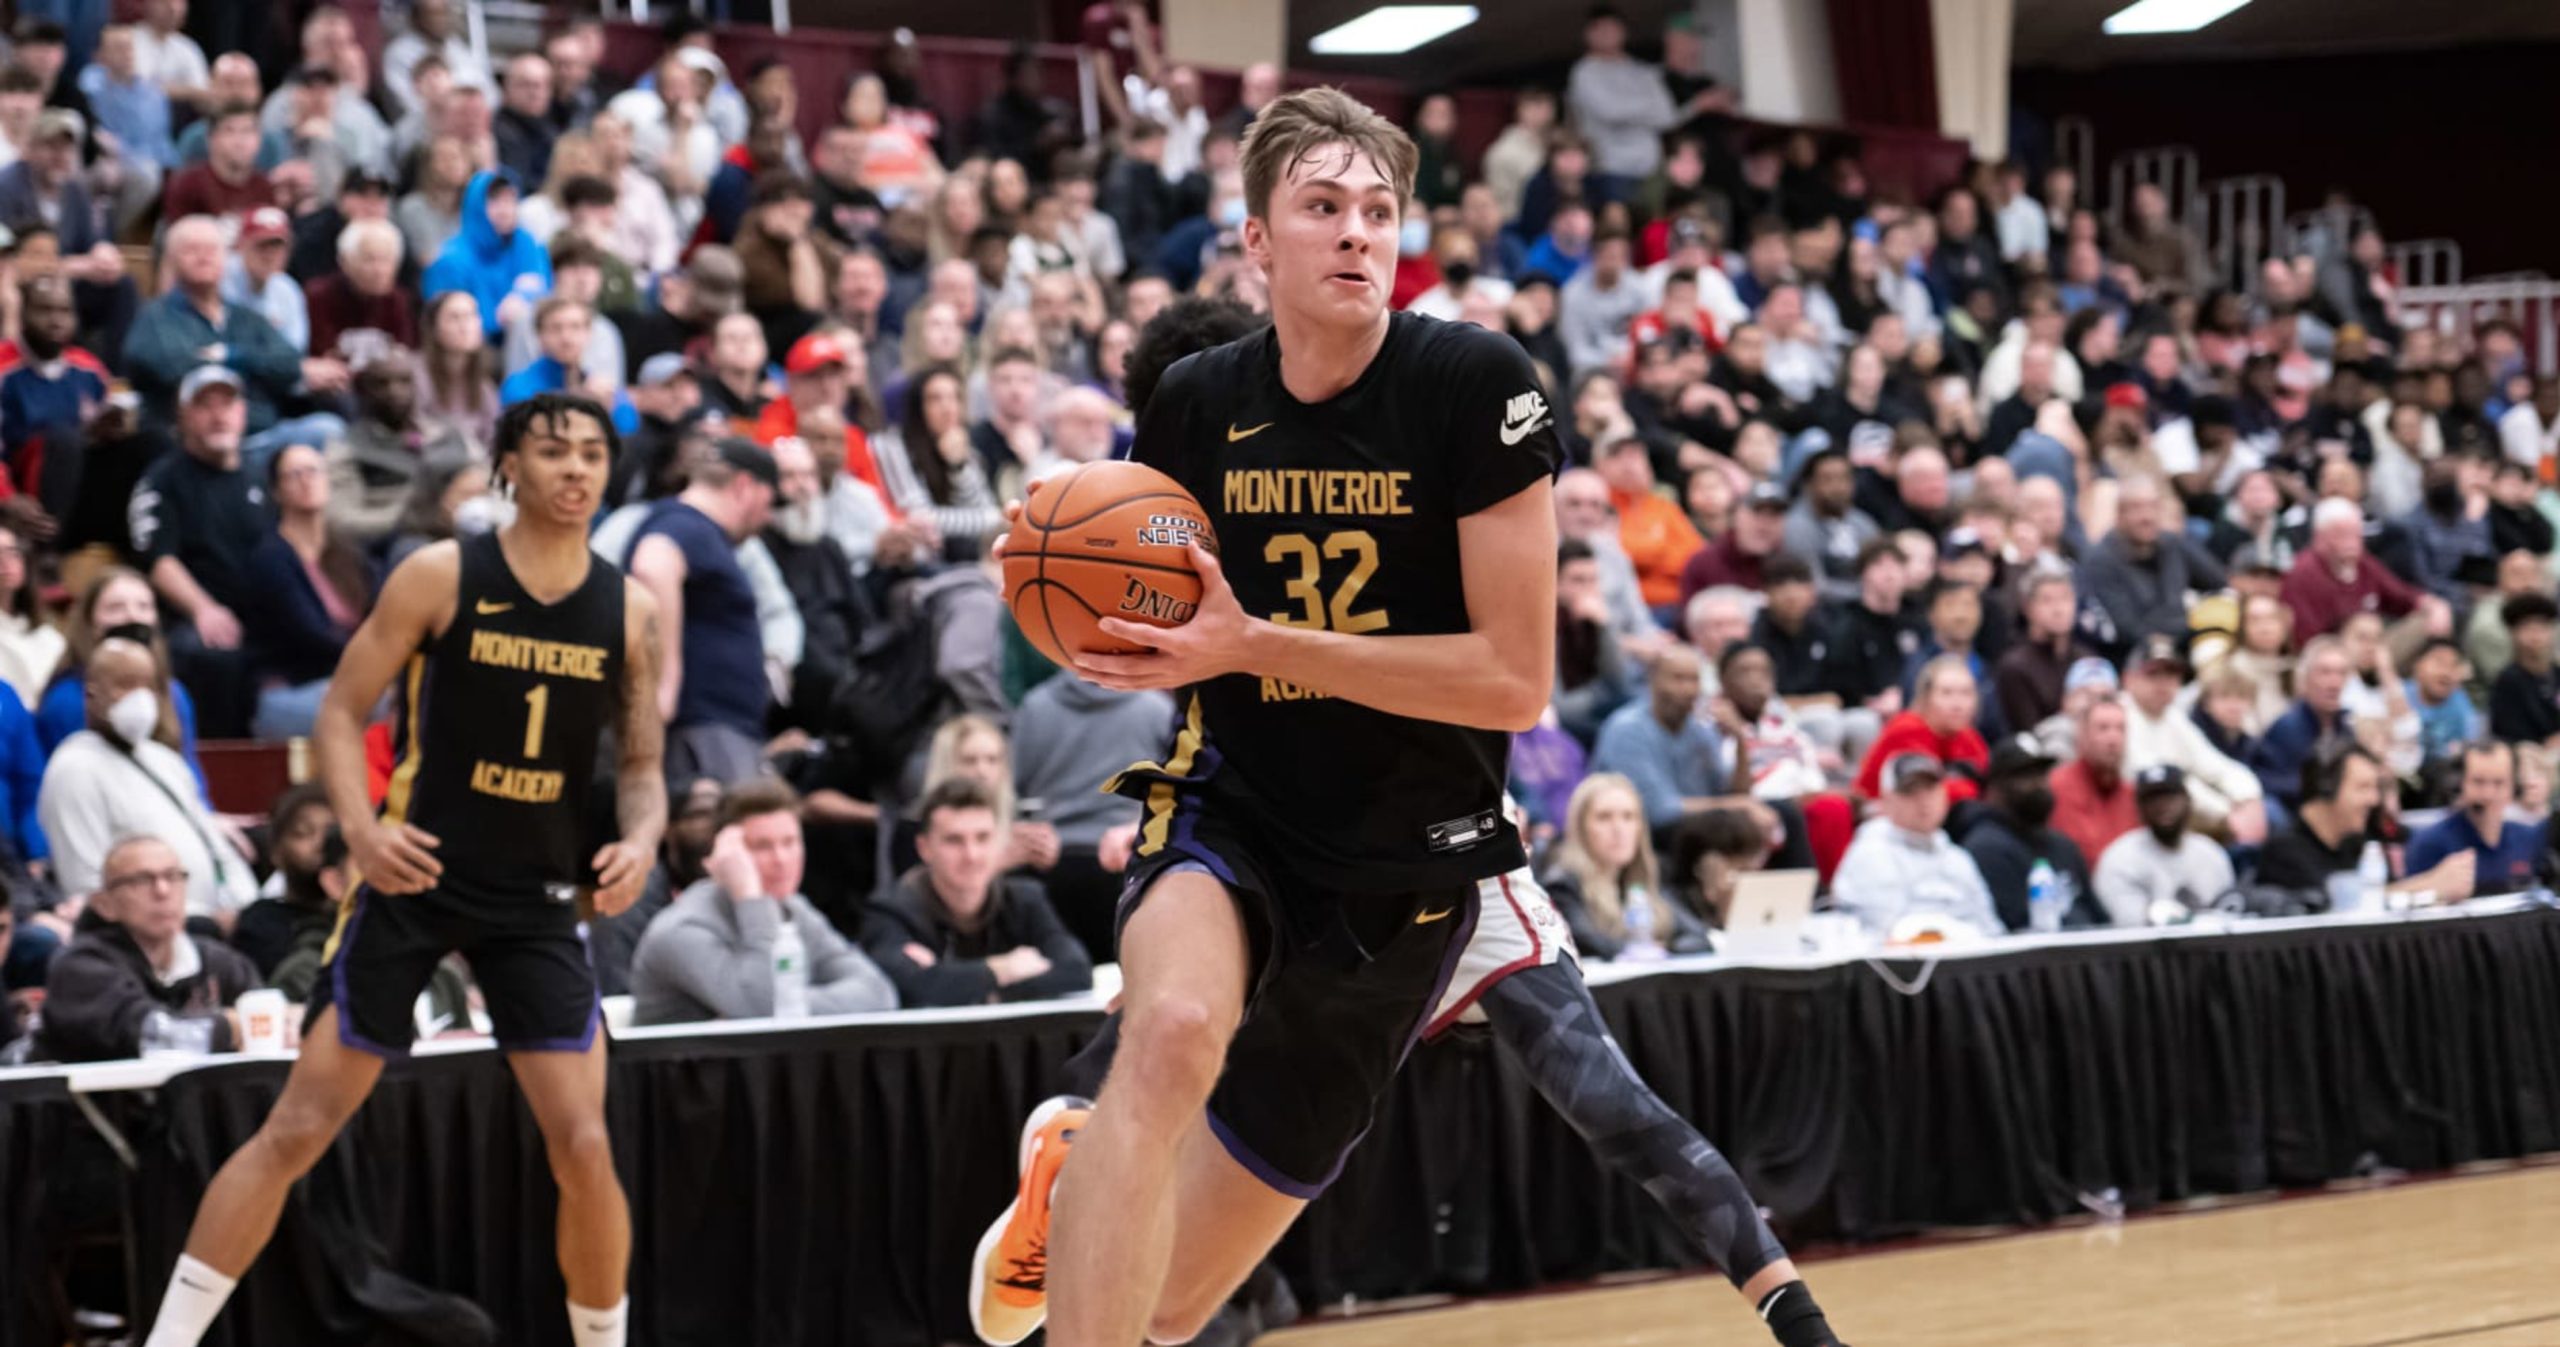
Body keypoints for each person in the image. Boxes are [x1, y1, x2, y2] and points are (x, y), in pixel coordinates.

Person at [968, 89, 1560, 1347]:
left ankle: (1072, 1180)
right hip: (1236, 806)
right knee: (1172, 1030)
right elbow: (1152, 607)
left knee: (1174, 1306)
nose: (1356, 234)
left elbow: (1516, 680)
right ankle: (1090, 1160)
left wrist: (1257, 643)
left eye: (1379, 211)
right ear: (1257, 242)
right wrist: (1051, 586)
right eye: (1322, 207)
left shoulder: (1474, 383)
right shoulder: (1190, 402)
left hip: (1409, 867)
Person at [139, 393, 665, 1347]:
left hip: (537, 899)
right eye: (554, 451)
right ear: (509, 466)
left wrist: (639, 840)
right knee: (299, 1125)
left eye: (593, 452)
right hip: (414, 880)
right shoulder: (438, 574)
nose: (576, 469)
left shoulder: (629, 609)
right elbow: (340, 713)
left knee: (585, 1144)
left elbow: (640, 767)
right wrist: (361, 833)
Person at [629, 778, 894, 1024]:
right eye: (762, 846)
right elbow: (761, 1014)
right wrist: (750, 898)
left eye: (790, 842)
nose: (781, 859)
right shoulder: (682, 930)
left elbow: (879, 993)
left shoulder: (794, 910)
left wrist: (793, 1003)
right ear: (726, 852)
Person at [36, 636, 254, 924]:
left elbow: (215, 847)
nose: (140, 697)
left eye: (147, 685)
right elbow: (86, 885)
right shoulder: (74, 768)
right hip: (147, 931)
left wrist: (246, 907)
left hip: (218, 919)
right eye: (125, 685)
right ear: (92, 696)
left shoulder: (165, 760)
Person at [861, 776, 1092, 1009]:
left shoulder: (1026, 899)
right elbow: (907, 988)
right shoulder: (890, 912)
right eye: (954, 840)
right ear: (924, 848)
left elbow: (1076, 972)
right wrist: (1000, 969)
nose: (971, 855)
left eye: (983, 838)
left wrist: (957, 983)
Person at [127, 365, 271, 738]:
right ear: (184, 416)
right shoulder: (162, 479)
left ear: (243, 413)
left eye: (227, 404)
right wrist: (203, 609)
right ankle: (220, 766)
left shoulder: (260, 478)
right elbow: (158, 558)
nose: (218, 415)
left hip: (260, 614)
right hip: (190, 619)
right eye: (204, 405)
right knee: (210, 654)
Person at [624, 438, 778, 785]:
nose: (768, 518)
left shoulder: (693, 528)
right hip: (702, 732)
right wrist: (664, 684)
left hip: (713, 728)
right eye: (769, 502)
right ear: (745, 487)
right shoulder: (687, 525)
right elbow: (653, 566)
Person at [33, 833, 263, 1062]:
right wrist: (231, 1028)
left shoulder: (217, 960)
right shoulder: (81, 966)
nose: (163, 891)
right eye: (141, 880)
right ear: (104, 904)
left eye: (173, 877)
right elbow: (148, 1035)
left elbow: (269, 1017)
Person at [124, 217, 343, 455]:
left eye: (211, 250)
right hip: (194, 448)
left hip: (264, 437)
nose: (203, 257)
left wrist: (232, 355)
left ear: (227, 257)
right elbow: (173, 367)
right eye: (191, 250)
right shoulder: (157, 317)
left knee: (328, 430)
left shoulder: (245, 317)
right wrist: (254, 367)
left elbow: (289, 364)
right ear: (172, 260)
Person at [239, 442, 373, 739]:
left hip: (347, 681)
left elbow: (378, 612)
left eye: (313, 471)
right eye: (294, 474)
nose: (306, 480)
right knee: (388, 702)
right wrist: (378, 661)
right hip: (289, 693)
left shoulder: (347, 551)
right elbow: (311, 636)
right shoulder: (270, 557)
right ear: (276, 490)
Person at [2257, 740, 2473, 905]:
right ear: (2326, 790)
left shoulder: (2360, 843)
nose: (2374, 800)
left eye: (2375, 788)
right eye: (2363, 787)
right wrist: (2430, 885)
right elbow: (2337, 910)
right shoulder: (2283, 852)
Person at [1832, 753, 2000, 938]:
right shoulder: (1870, 854)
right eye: (1910, 792)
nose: (1924, 801)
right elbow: (1885, 937)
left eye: (1931, 789)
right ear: (1887, 800)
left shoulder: (1957, 857)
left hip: (1972, 961)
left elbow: (1991, 929)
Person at [1542, 771, 1707, 959]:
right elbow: (1586, 942)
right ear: (1581, 828)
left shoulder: (1646, 880)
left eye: (1628, 817)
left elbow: (1698, 937)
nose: (1619, 829)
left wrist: (1665, 951)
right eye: (1604, 817)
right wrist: (1645, 952)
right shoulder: (1563, 886)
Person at [2120, 634, 2267, 843]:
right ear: (2129, 679)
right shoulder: (2119, 717)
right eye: (2153, 674)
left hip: (2194, 817)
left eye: (2171, 674)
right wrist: (2228, 813)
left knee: (2269, 812)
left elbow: (2214, 765)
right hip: (2149, 827)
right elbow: (2166, 784)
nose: (2163, 683)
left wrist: (2249, 797)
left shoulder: (2172, 716)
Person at [588, 775, 718, 998]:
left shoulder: (743, 888)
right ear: (667, 827)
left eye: (722, 815)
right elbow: (616, 996)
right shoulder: (633, 897)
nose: (714, 828)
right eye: (701, 815)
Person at [1960, 734, 2104, 931]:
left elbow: (2099, 917)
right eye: (2025, 776)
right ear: (1995, 788)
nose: (2038, 784)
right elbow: (2017, 929)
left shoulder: (2062, 845)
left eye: (2041, 774)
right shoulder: (1987, 848)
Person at [2091, 764, 2237, 926]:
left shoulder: (2211, 854)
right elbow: (2129, 924)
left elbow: (2230, 914)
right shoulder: (2119, 859)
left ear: (2188, 801)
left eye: (2170, 796)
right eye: (2153, 799)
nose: (2163, 806)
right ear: (2139, 808)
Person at [422, 169, 552, 343]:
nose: (504, 210)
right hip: (471, 346)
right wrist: (498, 319)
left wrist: (521, 297)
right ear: (475, 205)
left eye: (510, 200)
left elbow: (540, 283)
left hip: (521, 340)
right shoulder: (450, 259)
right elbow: (445, 322)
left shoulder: (525, 242)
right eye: (494, 201)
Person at [2404, 740, 2546, 896]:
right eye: (2478, 782)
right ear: (2459, 784)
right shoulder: (2430, 841)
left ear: (2514, 787)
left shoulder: (2528, 838)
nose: (2488, 794)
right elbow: (2396, 899)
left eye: (2499, 783)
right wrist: (2431, 883)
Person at [1853, 654, 1990, 802]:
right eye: (1946, 693)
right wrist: (1976, 788)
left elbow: (1989, 781)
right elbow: (1927, 795)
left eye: (1966, 693)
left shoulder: (1967, 735)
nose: (1958, 704)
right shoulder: (1907, 730)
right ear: (1926, 698)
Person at [2251, 634, 2354, 812]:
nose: (2334, 683)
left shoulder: (2346, 729)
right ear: (2304, 679)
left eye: (2342, 673)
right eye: (2325, 672)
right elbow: (2271, 783)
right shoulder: (2287, 728)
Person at [2047, 697, 2141, 866]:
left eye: (2121, 729)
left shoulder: (2133, 795)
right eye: (2102, 729)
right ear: (2081, 735)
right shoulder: (2056, 788)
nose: (2113, 739)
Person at [2489, 594, 2560, 748]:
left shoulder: (2556, 673)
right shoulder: (2508, 681)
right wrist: (2544, 744)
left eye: (2542, 627)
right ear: (2513, 634)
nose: (2535, 636)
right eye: (2527, 628)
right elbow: (2507, 735)